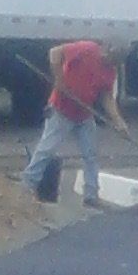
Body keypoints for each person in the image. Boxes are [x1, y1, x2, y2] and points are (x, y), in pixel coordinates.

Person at [21, 41, 129, 208]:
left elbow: (107, 97)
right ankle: (27, 186)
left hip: (84, 115)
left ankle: (91, 195)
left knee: (91, 155)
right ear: (107, 48)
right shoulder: (87, 49)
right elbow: (54, 53)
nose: (111, 62)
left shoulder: (110, 72)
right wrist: (60, 82)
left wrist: (118, 121)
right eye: (111, 57)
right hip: (60, 110)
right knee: (46, 149)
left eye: (116, 61)